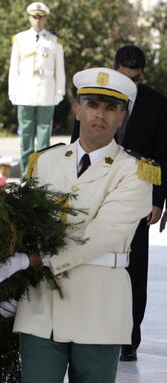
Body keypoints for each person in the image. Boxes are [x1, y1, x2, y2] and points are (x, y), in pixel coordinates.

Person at [0, 67, 157, 382]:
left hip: (98, 308)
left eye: (111, 108)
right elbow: (25, 227)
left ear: (123, 117)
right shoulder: (44, 162)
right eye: (93, 104)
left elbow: (100, 236)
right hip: (41, 308)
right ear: (78, 109)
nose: (101, 114)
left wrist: (30, 261)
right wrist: (12, 287)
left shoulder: (134, 172)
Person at [70, 44, 167, 362]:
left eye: (136, 79)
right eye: (125, 77)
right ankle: (86, 329)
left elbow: (164, 151)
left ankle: (129, 339)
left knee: (133, 268)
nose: (131, 84)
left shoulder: (157, 104)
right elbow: (76, 141)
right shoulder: (94, 95)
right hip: (94, 189)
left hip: (135, 193)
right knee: (85, 259)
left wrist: (158, 198)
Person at [8, 1, 65, 176]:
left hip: (46, 93)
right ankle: (26, 174)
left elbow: (59, 69)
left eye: (41, 17)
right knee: (25, 137)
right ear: (29, 18)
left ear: (45, 19)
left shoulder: (55, 41)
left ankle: (41, 175)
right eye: (34, 17)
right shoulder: (19, 39)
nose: (37, 21)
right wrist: (13, 92)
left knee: (43, 138)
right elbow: (14, 67)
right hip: (25, 93)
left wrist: (59, 92)